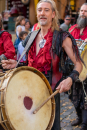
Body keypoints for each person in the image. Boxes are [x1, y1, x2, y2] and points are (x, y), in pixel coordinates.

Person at [2, 0, 82, 130]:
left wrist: (70, 79)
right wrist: (16, 64)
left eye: (46, 10)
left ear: (53, 14)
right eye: (39, 10)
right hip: (29, 91)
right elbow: (27, 64)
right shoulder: (31, 36)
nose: (42, 13)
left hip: (50, 94)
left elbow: (79, 64)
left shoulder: (62, 37)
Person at [69, 3, 87, 130]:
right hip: (74, 69)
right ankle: (79, 117)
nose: (82, 13)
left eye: (86, 11)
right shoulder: (72, 29)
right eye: (81, 10)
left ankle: (85, 123)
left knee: (86, 96)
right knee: (73, 95)